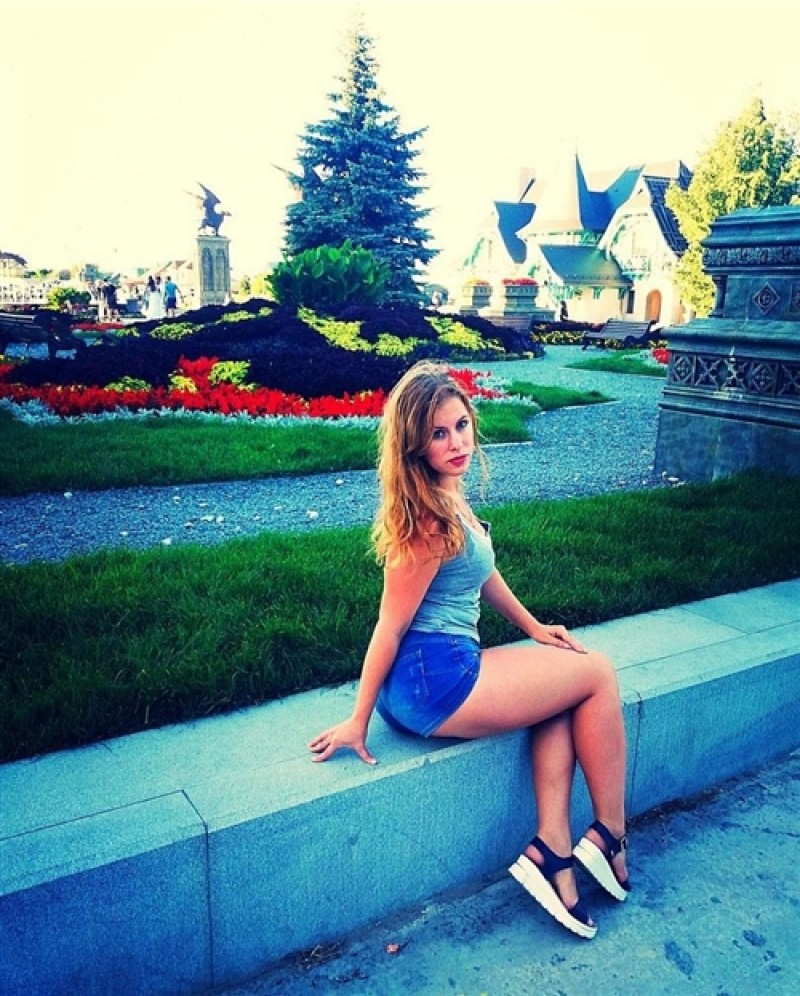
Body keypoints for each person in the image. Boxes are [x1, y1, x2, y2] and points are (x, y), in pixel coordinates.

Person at [309, 361, 629, 940]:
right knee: (598, 673)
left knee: (562, 694)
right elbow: (389, 626)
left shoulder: (448, 498)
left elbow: (483, 575)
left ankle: (552, 851)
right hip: (433, 683)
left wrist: (533, 626)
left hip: (441, 672)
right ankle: (610, 835)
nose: (456, 443)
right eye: (438, 434)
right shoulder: (427, 523)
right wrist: (358, 719)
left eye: (460, 426)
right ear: (415, 445)